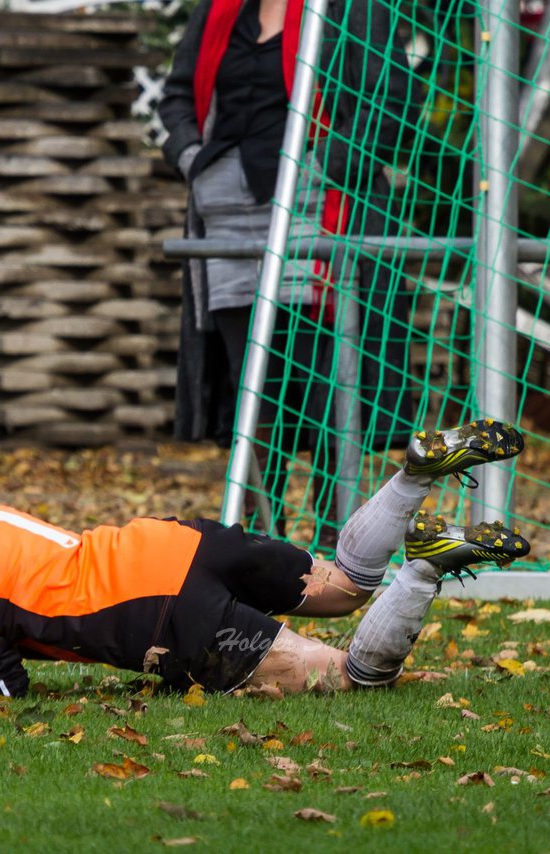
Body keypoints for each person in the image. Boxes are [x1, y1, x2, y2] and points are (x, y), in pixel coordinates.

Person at [0, 421, 528, 698]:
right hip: (172, 542)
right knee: (347, 585)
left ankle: (426, 568)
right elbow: (10, 589)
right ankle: (412, 477)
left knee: (345, 679)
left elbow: (3, 678)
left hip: (156, 614)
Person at [157, 0, 416, 545]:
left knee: (325, 385)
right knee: (250, 385)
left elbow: (392, 100)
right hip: (227, 219)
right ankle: (256, 547)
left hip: (318, 212)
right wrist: (190, 158)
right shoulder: (221, 11)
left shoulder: (353, 10)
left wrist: (326, 166)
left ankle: (336, 546)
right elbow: (178, 96)